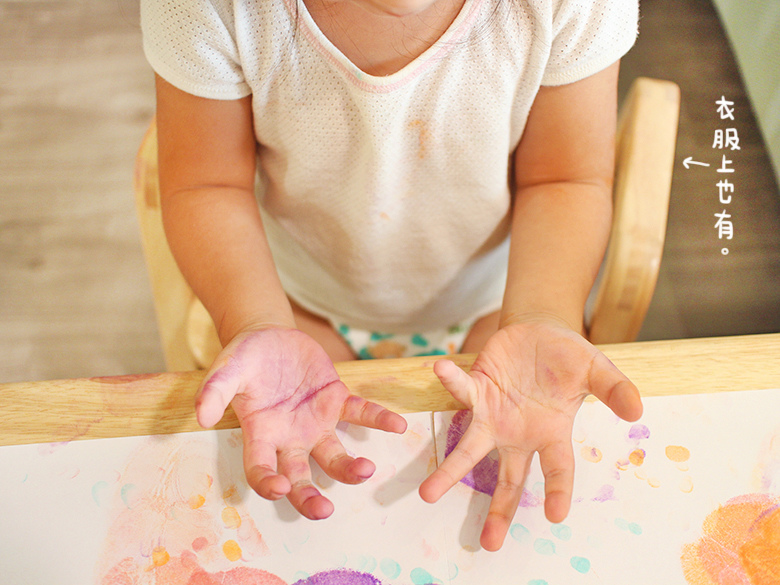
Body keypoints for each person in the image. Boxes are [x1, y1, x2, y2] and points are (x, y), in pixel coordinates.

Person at [140, 0, 644, 552]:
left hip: (502, 306)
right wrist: (256, 321)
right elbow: (209, 184)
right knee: (320, 519)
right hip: (297, 306)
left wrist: (544, 314)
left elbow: (564, 178)